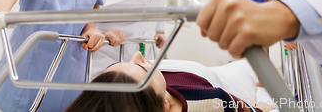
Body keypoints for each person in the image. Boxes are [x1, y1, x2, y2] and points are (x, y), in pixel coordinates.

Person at [65, 51, 270, 112]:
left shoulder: (153, 88)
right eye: (142, 68)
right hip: (230, 80)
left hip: (206, 72)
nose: (137, 54)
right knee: (247, 67)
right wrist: (258, 109)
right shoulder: (211, 103)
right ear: (164, 105)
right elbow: (237, 106)